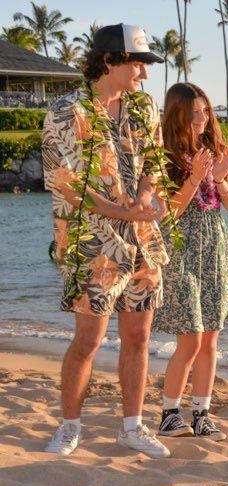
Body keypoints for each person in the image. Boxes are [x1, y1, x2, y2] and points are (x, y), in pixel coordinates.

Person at [42, 24, 171, 457]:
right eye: (139, 64)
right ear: (110, 61)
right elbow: (67, 184)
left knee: (139, 336)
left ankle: (132, 427)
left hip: (143, 240)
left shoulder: (144, 106)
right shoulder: (66, 110)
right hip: (91, 243)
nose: (145, 75)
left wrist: (146, 197)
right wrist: (123, 211)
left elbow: (155, 159)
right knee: (89, 340)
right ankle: (69, 426)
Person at [153, 83, 228, 441]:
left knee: (210, 342)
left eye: (206, 112)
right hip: (181, 252)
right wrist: (193, 177)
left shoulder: (217, 152)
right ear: (178, 116)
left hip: (215, 251)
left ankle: (202, 413)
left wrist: (218, 178)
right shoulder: (165, 157)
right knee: (189, 341)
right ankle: (170, 413)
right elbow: (167, 213)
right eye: (194, 114)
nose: (202, 120)